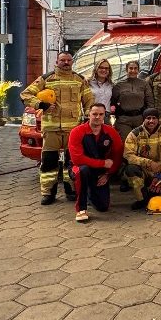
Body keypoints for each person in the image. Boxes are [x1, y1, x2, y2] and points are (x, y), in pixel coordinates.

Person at [21, 52, 94, 205]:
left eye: (68, 60)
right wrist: (41, 105)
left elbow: (89, 100)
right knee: (48, 162)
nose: (66, 63)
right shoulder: (46, 78)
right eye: (63, 60)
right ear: (57, 61)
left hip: (73, 129)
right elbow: (25, 94)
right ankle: (48, 193)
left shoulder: (79, 79)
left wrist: (88, 116)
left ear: (72, 62)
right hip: (51, 128)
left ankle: (71, 190)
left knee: (71, 161)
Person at [68, 103, 123, 222]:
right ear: (89, 114)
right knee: (83, 171)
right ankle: (81, 209)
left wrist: (108, 174)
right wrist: (103, 164)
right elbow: (77, 159)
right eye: (94, 114)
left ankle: (90, 192)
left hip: (101, 172)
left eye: (101, 114)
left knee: (103, 207)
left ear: (105, 115)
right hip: (80, 168)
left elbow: (117, 155)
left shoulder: (111, 132)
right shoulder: (76, 132)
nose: (97, 117)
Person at [123, 108, 161, 210]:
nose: (151, 121)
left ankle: (154, 193)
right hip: (144, 170)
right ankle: (142, 200)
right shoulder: (135, 134)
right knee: (131, 169)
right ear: (143, 119)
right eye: (148, 118)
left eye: (154, 118)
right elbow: (128, 155)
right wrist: (148, 162)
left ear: (158, 119)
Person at [111, 60, 153, 141]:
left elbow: (150, 101)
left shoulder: (144, 84)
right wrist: (116, 114)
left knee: (141, 143)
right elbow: (113, 102)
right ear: (126, 70)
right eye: (130, 68)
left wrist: (149, 118)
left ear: (138, 70)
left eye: (135, 68)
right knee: (126, 143)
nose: (133, 71)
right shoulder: (119, 85)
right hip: (123, 120)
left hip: (140, 119)